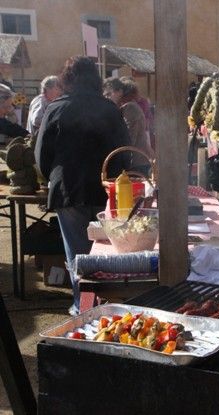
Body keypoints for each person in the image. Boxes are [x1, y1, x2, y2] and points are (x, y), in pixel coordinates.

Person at [35, 56, 130, 315]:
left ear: (67, 79)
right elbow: (125, 152)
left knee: (77, 255)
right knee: (108, 252)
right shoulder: (110, 109)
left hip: (69, 189)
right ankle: (106, 308)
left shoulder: (56, 108)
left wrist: (53, 177)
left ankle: (83, 308)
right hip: (105, 189)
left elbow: (41, 155)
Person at [103, 76, 154, 175]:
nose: (107, 98)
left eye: (109, 94)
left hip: (137, 163)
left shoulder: (129, 107)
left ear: (120, 92)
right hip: (137, 161)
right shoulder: (127, 107)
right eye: (105, 95)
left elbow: (129, 138)